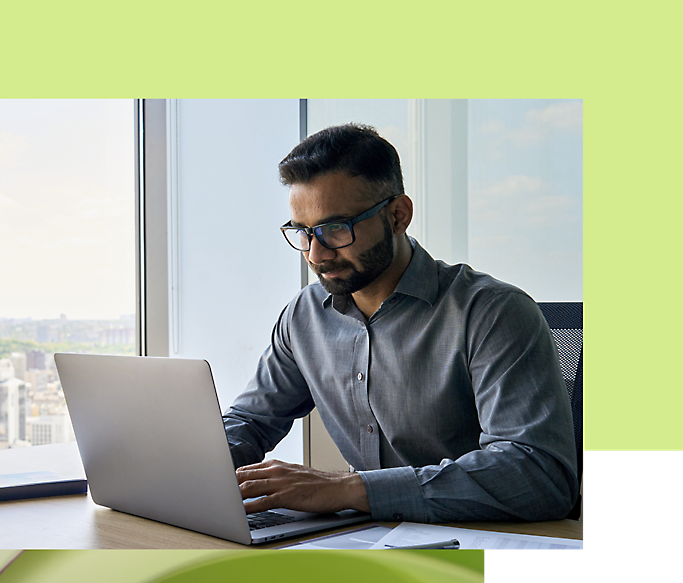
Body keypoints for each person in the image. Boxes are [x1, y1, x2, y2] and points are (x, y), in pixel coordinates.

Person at [224, 123, 578, 523]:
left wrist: (346, 489)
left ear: (398, 215)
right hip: (370, 542)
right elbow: (250, 422)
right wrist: (188, 462)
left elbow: (539, 475)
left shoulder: (493, 313)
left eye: (335, 228)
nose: (316, 254)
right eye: (303, 232)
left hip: (487, 547)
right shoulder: (305, 316)